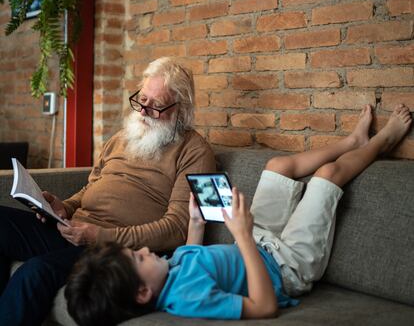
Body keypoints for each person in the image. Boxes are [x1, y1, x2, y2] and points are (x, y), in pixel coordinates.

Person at [65, 104, 412, 325]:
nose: (146, 251)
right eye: (139, 257)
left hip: (259, 244)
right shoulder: (188, 297)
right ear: (143, 293)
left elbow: (191, 252)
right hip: (288, 265)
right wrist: (243, 235)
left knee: (278, 165)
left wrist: (197, 224)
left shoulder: (168, 275)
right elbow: (263, 307)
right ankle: (382, 142)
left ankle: (351, 141)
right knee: (327, 176)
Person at [0, 57, 216, 326]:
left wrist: (99, 235)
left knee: (36, 272)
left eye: (156, 106)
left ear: (180, 110)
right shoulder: (123, 137)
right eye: (142, 99)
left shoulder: (195, 151)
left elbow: (177, 228)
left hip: (117, 250)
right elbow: (92, 186)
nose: (144, 110)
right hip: (74, 229)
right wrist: (64, 207)